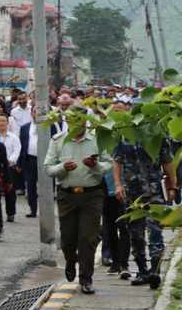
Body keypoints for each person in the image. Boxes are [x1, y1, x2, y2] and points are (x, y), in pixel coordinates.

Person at [45, 110, 112, 294]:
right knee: (67, 238)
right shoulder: (58, 140)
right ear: (67, 121)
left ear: (85, 121)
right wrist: (62, 168)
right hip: (67, 195)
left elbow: (108, 164)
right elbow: (48, 168)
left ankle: (86, 279)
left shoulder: (97, 139)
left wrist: (95, 166)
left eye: (80, 121)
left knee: (88, 238)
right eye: (72, 121)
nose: (77, 125)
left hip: (92, 194)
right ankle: (70, 260)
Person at [113, 136, 176, 289]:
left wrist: (172, 186)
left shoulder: (157, 134)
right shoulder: (123, 135)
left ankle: (155, 269)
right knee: (136, 233)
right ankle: (142, 271)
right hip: (133, 193)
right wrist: (118, 185)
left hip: (154, 190)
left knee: (155, 231)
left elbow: (167, 162)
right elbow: (117, 161)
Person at [0, 115, 22, 225]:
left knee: (10, 192)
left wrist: (10, 161)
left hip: (10, 168)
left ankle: (11, 213)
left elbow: (17, 150)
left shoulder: (14, 137)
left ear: (7, 123)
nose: (1, 123)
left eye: (3, 121)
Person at [18, 114, 39, 218]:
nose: (37, 114)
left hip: (45, 159)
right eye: (35, 111)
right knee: (30, 186)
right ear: (31, 113)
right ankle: (33, 210)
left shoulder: (51, 126)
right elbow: (22, 146)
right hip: (30, 160)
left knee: (47, 187)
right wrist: (20, 163)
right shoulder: (25, 127)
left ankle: (47, 210)